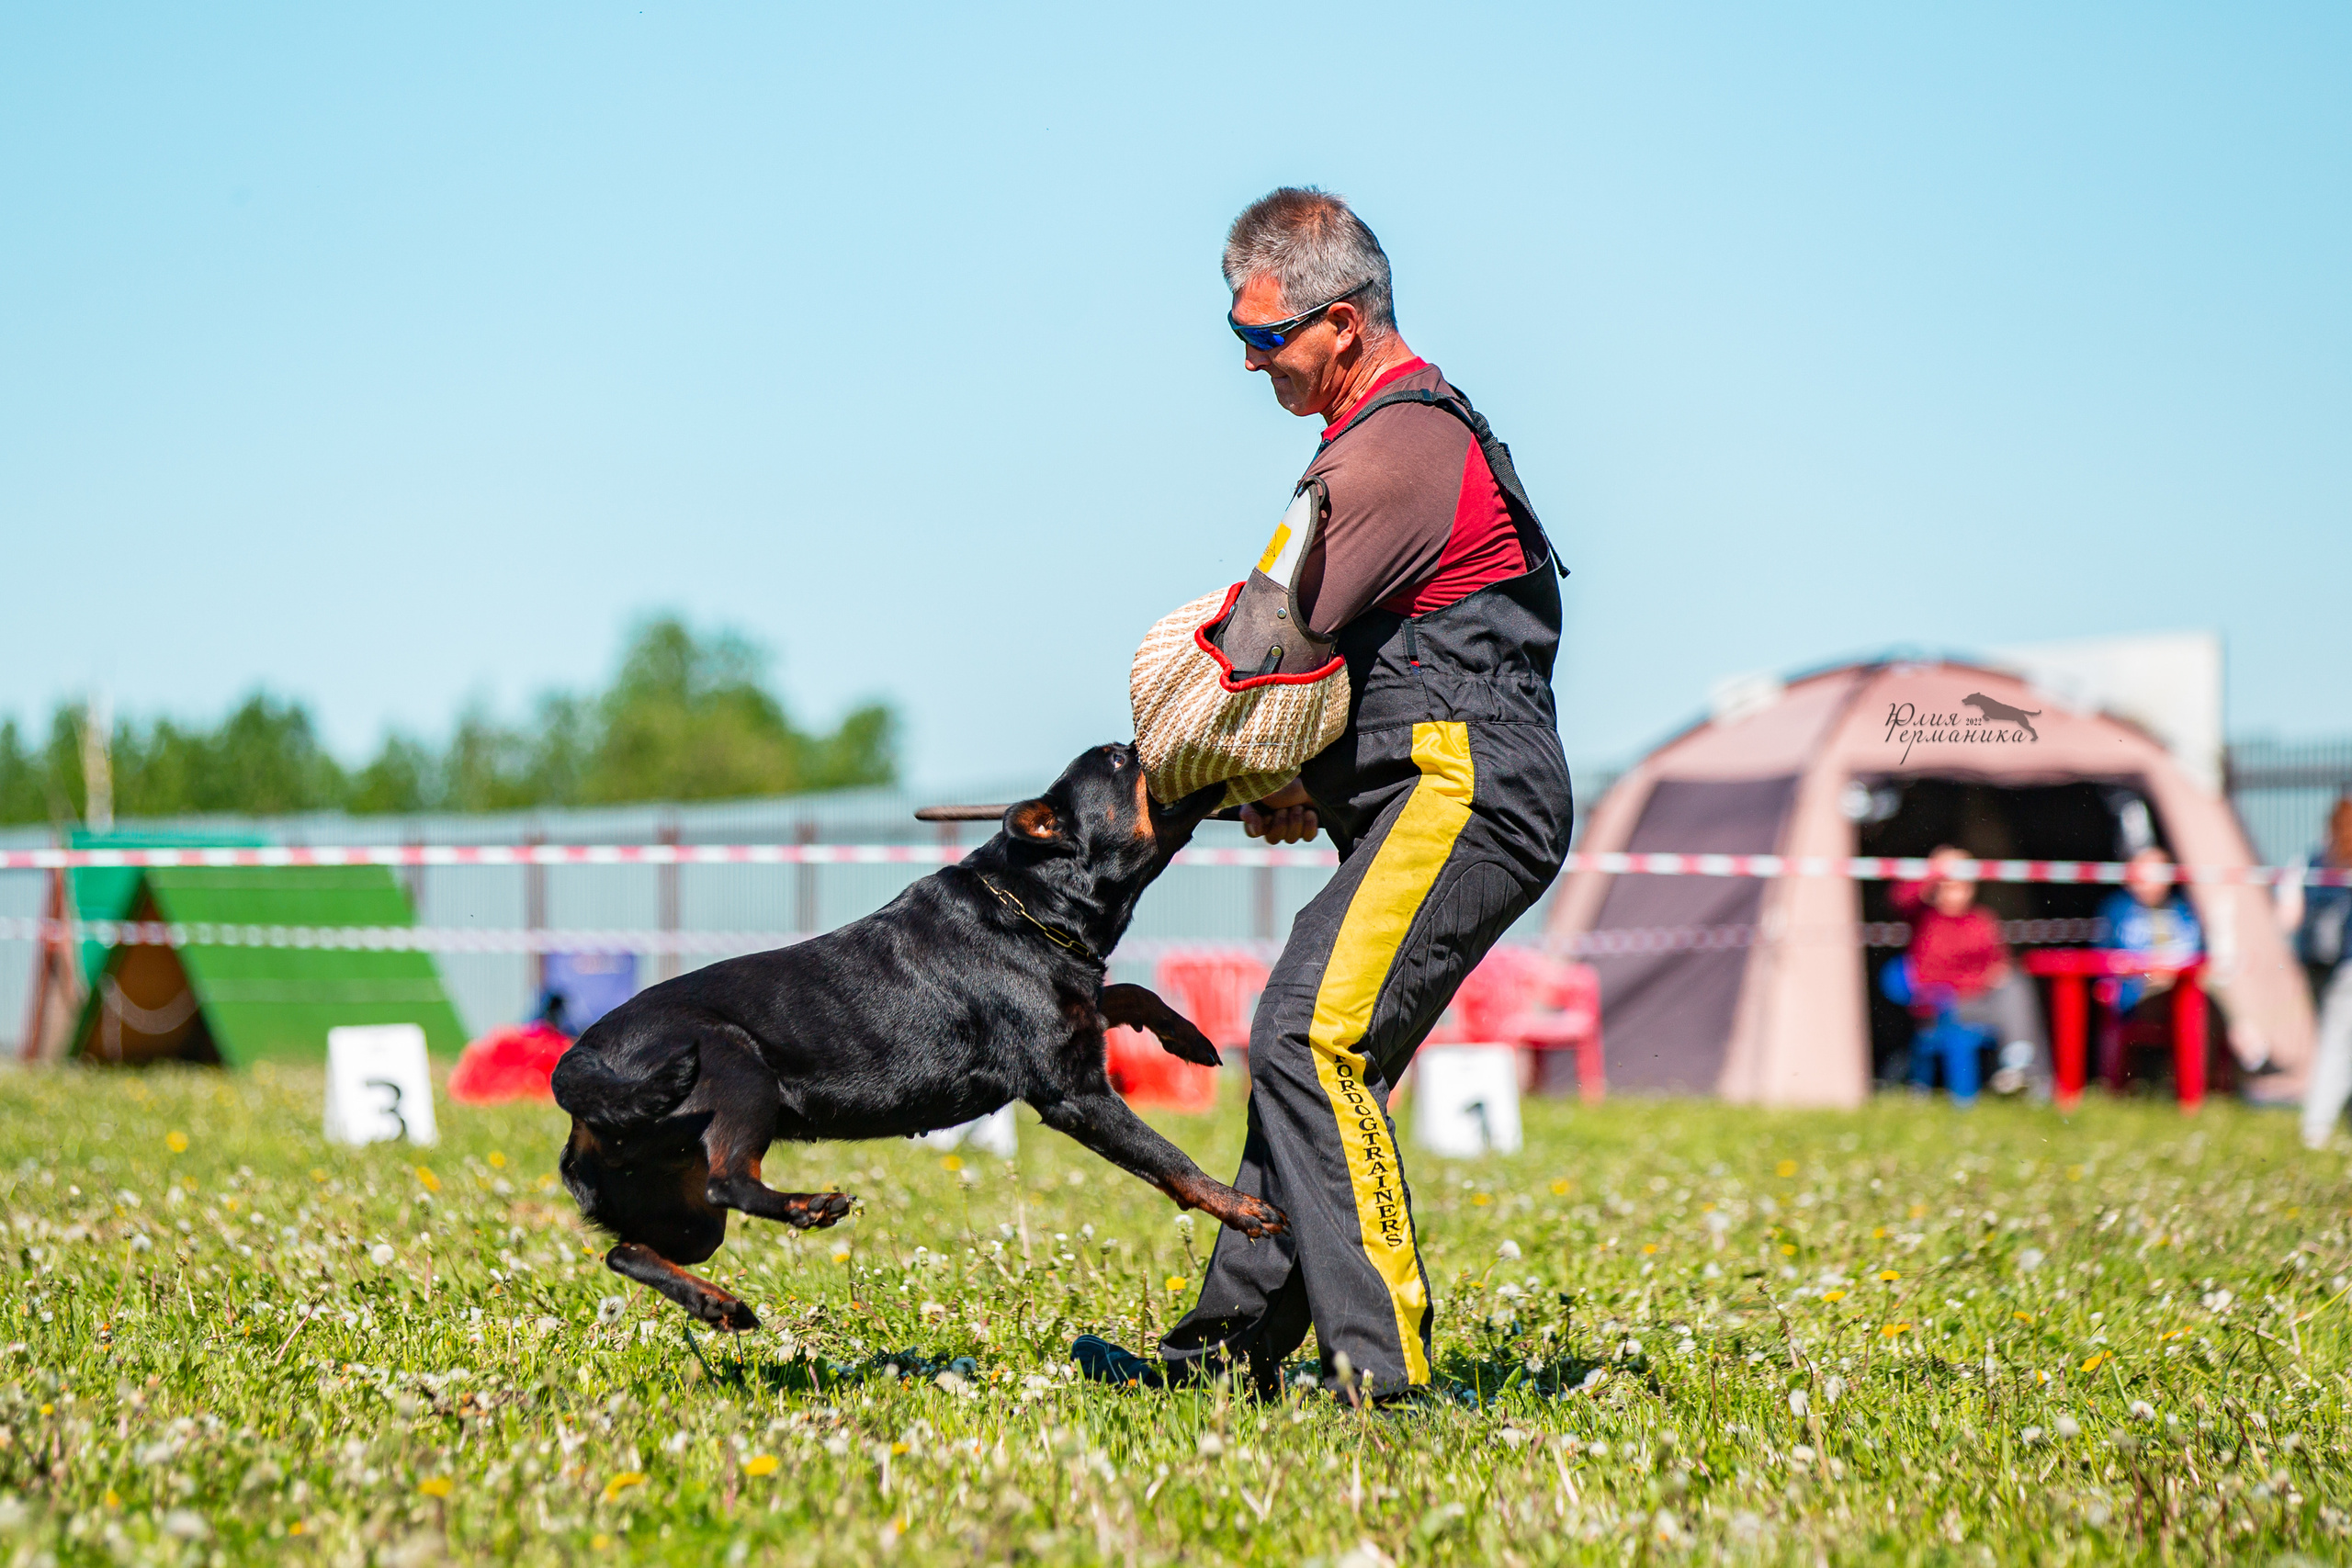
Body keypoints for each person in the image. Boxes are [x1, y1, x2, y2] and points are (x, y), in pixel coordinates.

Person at [1074, 187, 1573, 1405]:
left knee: (1307, 1035)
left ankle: (1384, 1378)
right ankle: (1218, 1360)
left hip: (1466, 786)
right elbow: (1361, 670)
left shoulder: (1393, 451)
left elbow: (1255, 652)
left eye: (1263, 339)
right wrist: (1304, 772)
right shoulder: (1386, 440)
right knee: (1305, 1071)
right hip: (1432, 778)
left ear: (1340, 322)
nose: (1249, 362)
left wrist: (1175, 771)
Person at [1889, 846, 2048, 1096]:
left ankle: (2020, 1067)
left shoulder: (1981, 919)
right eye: (1951, 885)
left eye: (1964, 885)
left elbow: (1998, 962)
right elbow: (1901, 897)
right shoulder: (1925, 919)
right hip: (1944, 1005)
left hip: (1981, 1001)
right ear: (1937, 888)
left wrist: (1996, 974)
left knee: (2017, 987)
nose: (1958, 893)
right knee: (2013, 1007)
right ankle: (2020, 1068)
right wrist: (1937, 867)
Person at [2293, 798, 2352, 1147]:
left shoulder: (2315, 860)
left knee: (2333, 1042)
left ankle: (2320, 1123)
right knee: (2337, 1045)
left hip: (2316, 962)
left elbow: (2294, 913)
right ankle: (2316, 1127)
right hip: (2345, 962)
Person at [2096, 846, 2204, 1014]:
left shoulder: (2183, 910)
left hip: (2182, 989)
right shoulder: (2117, 910)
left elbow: (2196, 952)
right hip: (2137, 995)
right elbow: (2103, 959)